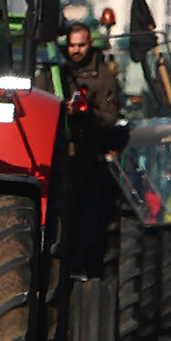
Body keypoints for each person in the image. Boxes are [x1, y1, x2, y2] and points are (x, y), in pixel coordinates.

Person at [61, 23, 122, 279]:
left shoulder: (104, 77)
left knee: (84, 207)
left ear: (90, 44)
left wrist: (83, 115)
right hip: (58, 147)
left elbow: (108, 118)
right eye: (72, 45)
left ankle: (81, 260)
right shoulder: (57, 70)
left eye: (81, 45)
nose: (76, 50)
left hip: (87, 150)